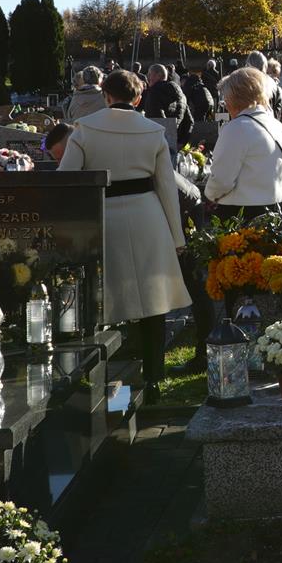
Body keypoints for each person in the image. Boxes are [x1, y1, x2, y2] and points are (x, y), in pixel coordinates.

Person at [58, 69, 191, 397]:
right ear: (139, 97)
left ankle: (101, 380)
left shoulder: (84, 129)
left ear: (105, 95)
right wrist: (177, 237)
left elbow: (66, 181)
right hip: (147, 215)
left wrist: (66, 230)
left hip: (103, 217)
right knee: (153, 299)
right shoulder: (153, 132)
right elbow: (167, 187)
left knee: (103, 298)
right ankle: (154, 376)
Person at [203, 67, 282, 219]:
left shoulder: (236, 128)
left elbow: (221, 181)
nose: (226, 105)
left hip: (241, 214)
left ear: (235, 98)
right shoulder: (279, 127)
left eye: (226, 100)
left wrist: (209, 196)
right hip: (277, 210)